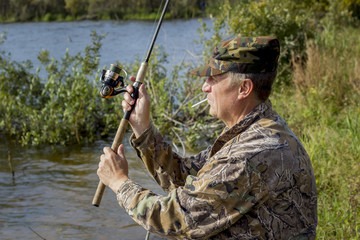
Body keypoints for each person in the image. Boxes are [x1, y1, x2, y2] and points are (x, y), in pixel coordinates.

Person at [97, 36, 318, 239]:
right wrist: (142, 127)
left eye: (213, 79)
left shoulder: (251, 154)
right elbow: (185, 178)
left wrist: (119, 182)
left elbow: (176, 218)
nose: (204, 87)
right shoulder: (254, 128)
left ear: (244, 88)